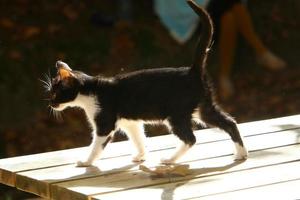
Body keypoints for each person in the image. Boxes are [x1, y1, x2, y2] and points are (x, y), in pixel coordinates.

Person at [155, 0, 286, 99]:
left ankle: (225, 77)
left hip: (215, 10)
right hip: (192, 16)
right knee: (231, 5)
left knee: (229, 17)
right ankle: (260, 51)